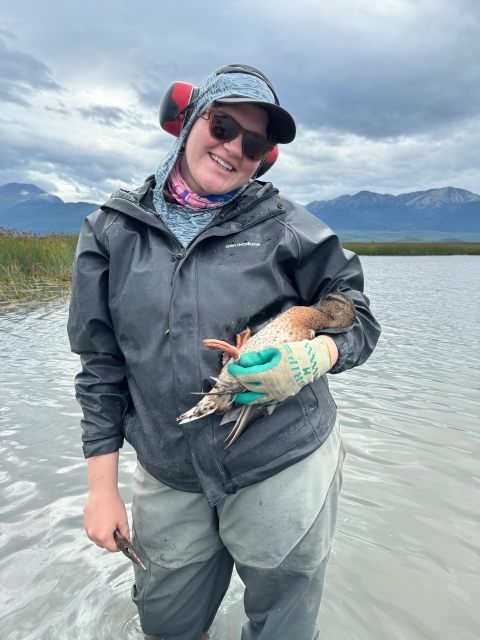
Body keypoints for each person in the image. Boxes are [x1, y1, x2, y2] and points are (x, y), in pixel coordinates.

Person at [68, 64, 381, 640]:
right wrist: (101, 490)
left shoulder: (290, 228)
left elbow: (357, 315)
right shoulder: (111, 232)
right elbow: (99, 367)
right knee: (165, 623)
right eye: (222, 123)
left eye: (255, 142)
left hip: (282, 462)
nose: (234, 146)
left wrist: (318, 357)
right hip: (168, 469)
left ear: (266, 157)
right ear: (187, 120)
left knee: (283, 623)